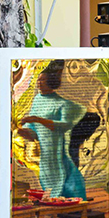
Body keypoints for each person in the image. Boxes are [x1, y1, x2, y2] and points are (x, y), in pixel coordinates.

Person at [18, 61, 88, 199]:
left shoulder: (62, 103)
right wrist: (22, 131)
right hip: (45, 153)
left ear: (51, 82)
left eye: (43, 80)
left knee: (65, 176)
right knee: (46, 177)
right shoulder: (37, 99)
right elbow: (33, 131)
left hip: (58, 149)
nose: (39, 83)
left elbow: (64, 125)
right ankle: (56, 205)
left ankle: (74, 204)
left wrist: (37, 120)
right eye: (38, 80)